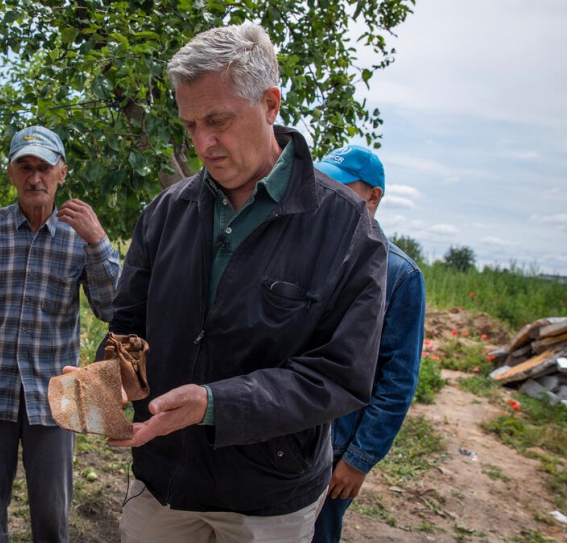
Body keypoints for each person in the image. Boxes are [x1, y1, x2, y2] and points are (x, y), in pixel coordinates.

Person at [105, 23, 388, 542]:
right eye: (190, 125)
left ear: (271, 104)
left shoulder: (347, 227)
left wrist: (214, 404)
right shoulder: (169, 210)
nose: (203, 144)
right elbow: (129, 322)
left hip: (269, 500)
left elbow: (341, 374)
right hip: (162, 482)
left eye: (218, 120)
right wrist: (111, 374)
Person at [0, 125, 122, 543]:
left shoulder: (82, 234)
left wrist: (98, 242)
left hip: (59, 395)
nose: (34, 177)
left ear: (62, 172)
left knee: (53, 514)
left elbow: (114, 310)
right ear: (11, 173)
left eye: (44, 167)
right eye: (25, 166)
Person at [311, 145, 426, 543]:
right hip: (291, 434)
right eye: (323, 182)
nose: (329, 192)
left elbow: (397, 381)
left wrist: (357, 461)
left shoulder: (399, 275)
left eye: (343, 186)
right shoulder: (311, 254)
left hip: (336, 447)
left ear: (374, 197)